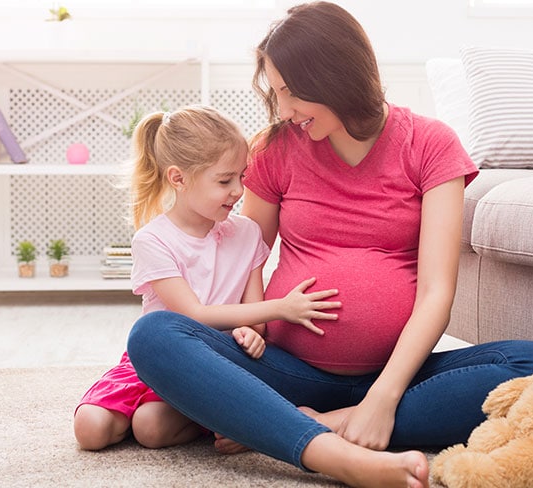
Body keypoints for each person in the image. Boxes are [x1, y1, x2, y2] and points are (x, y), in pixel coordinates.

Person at [126, 2, 533, 487]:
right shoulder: (275, 148)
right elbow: (237, 257)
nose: (283, 110)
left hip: (399, 374)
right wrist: (245, 333)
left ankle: (308, 423)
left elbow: (438, 290)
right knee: (155, 334)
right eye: (277, 93)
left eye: (291, 93)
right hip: (286, 371)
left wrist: (382, 399)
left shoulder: (431, 145)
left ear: (333, 76)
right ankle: (334, 455)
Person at [74, 105, 341, 451]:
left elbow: (253, 313)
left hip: (212, 361)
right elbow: (194, 315)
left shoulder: (246, 234)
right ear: (179, 178)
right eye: (224, 180)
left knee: (150, 429)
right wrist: (283, 308)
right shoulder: (153, 240)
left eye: (242, 177)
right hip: (159, 356)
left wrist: (251, 333)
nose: (238, 190)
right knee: (90, 430)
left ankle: (199, 418)